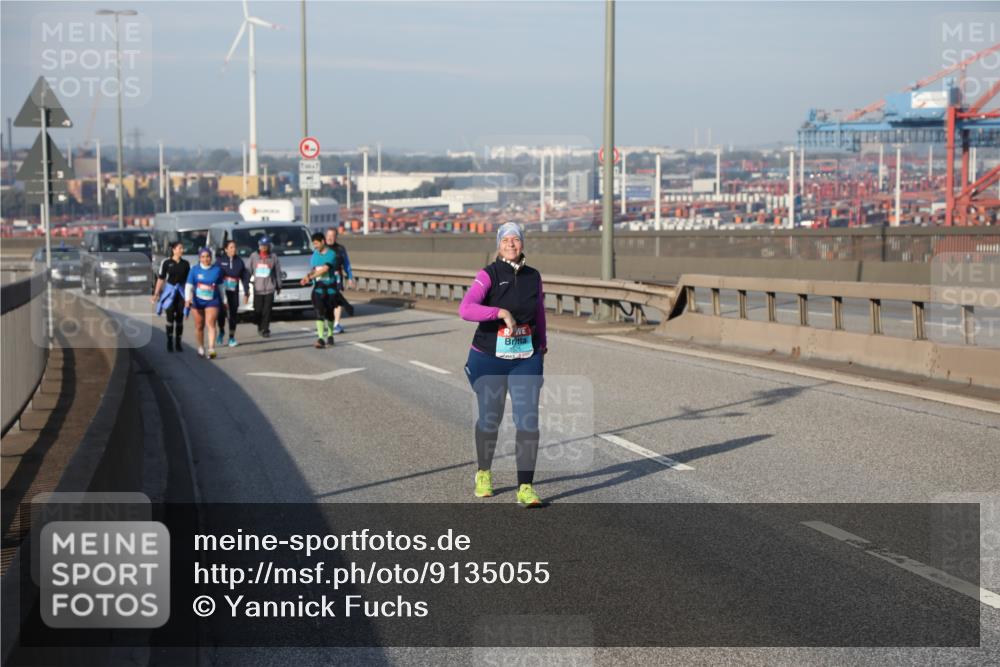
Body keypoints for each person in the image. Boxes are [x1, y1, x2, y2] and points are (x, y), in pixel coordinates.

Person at [458, 222, 547, 508]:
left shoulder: (534, 276)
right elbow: (466, 308)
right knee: (490, 418)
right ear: (498, 244)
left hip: (525, 357)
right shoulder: (488, 275)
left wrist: (541, 346)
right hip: (489, 357)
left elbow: (540, 314)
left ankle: (525, 487)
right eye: (506, 239)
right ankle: (484, 473)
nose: (511, 244)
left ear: (522, 244)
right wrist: (499, 312)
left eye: (516, 239)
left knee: (528, 422)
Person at [301, 232, 340, 348]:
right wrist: (307, 276)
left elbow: (325, 269)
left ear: (323, 241)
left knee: (329, 314)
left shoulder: (332, 254)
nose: (315, 246)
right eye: (314, 244)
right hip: (318, 288)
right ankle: (321, 338)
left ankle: (330, 335)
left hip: (330, 289)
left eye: (317, 243)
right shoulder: (314, 255)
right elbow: (314, 270)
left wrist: (310, 277)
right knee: (319, 312)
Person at [184, 247, 225, 359]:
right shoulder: (194, 270)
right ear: (199, 258)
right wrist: (187, 300)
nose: (205, 259)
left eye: (207, 256)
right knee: (199, 326)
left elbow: (221, 286)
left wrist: (224, 300)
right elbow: (189, 286)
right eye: (203, 257)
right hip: (197, 301)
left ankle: (211, 348)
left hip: (212, 300)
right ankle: (201, 347)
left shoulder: (217, 270)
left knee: (210, 323)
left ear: (211, 258)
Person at [151, 240, 190, 353]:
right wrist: (156, 293)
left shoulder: (186, 264)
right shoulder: (166, 263)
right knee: (170, 318)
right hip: (169, 292)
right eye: (180, 248)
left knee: (179, 319)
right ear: (173, 250)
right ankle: (169, 341)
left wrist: (190, 297)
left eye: (182, 248)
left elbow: (189, 282)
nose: (182, 250)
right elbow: (161, 279)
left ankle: (178, 342)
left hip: (181, 293)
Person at [216, 239, 250, 347]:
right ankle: (221, 331)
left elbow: (244, 277)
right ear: (226, 249)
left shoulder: (239, 261)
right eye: (231, 247)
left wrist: (246, 291)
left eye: (235, 247)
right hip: (221, 291)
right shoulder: (220, 261)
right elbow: (214, 275)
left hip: (233, 291)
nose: (233, 249)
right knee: (221, 314)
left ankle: (231, 337)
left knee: (233, 315)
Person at [247, 236, 281, 338]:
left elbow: (277, 272)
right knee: (258, 310)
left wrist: (279, 285)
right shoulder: (254, 256)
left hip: (270, 289)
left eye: (266, 246)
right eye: (262, 246)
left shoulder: (273, 257)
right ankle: (259, 325)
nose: (264, 248)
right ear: (259, 246)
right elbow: (248, 270)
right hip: (258, 289)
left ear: (270, 246)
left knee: (267, 310)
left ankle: (265, 329)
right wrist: (246, 284)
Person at [325, 227, 355, 333]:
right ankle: (329, 322)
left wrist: (350, 277)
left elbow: (346, 264)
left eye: (332, 236)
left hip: (337, 278)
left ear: (336, 237)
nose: (329, 238)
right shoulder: (320, 248)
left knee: (337, 301)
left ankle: (336, 324)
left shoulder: (341, 249)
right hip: (324, 279)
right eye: (328, 236)